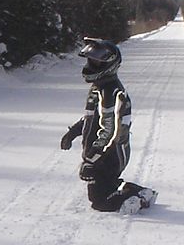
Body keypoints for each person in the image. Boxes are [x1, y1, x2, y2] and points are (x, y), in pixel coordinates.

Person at [59, 38, 154, 212]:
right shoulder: (99, 88)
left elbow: (110, 130)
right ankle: (137, 191)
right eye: (91, 61)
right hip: (102, 152)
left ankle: (137, 199)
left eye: (96, 62)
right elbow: (91, 119)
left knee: (100, 202)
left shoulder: (111, 91)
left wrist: (92, 158)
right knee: (100, 191)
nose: (91, 65)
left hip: (112, 154)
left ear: (109, 65)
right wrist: (72, 133)